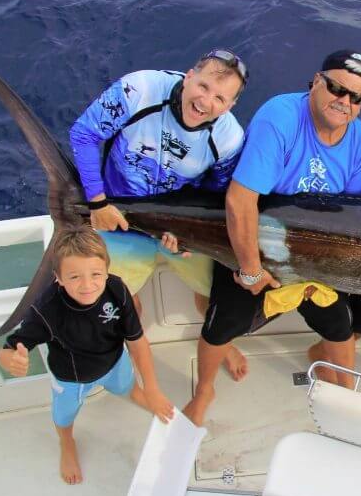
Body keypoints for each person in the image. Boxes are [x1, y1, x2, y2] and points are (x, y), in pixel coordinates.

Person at [183, 50, 361, 425]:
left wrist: (317, 276)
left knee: (340, 326)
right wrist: (252, 271)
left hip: (312, 260)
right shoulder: (281, 116)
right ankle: (204, 388)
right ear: (316, 82)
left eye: (356, 97)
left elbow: (352, 223)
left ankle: (348, 393)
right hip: (252, 247)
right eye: (337, 88)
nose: (344, 101)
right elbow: (241, 202)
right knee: (222, 326)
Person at [69, 49, 250, 380]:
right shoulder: (139, 90)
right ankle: (140, 352)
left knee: (214, 299)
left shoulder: (229, 139)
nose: (206, 101)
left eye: (220, 98)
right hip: (117, 219)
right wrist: (96, 203)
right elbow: (84, 134)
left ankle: (220, 341)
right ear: (189, 74)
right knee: (124, 303)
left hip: (179, 230)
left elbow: (217, 198)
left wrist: (188, 239)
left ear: (229, 107)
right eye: (204, 86)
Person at [0, 226, 174, 485]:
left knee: (131, 388)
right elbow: (8, 348)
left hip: (115, 363)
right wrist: (11, 360)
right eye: (74, 277)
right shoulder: (47, 310)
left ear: (107, 270)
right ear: (58, 277)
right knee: (64, 417)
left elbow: (136, 341)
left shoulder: (117, 289)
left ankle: (144, 397)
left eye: (95, 274)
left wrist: (154, 389)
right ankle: (66, 443)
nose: (87, 285)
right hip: (72, 379)